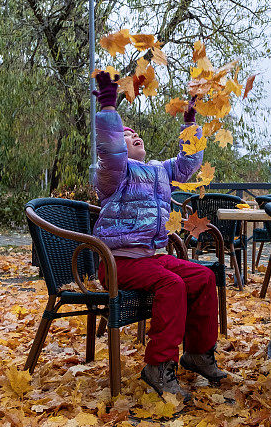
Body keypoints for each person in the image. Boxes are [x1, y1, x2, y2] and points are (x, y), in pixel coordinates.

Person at [91, 70, 226, 399]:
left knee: (203, 278)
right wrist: (109, 108)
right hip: (119, 260)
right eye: (126, 135)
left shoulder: (159, 171)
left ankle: (197, 353)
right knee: (173, 285)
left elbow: (188, 162)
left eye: (135, 133)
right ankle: (158, 365)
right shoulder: (114, 173)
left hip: (155, 258)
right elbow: (110, 151)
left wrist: (190, 120)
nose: (133, 135)